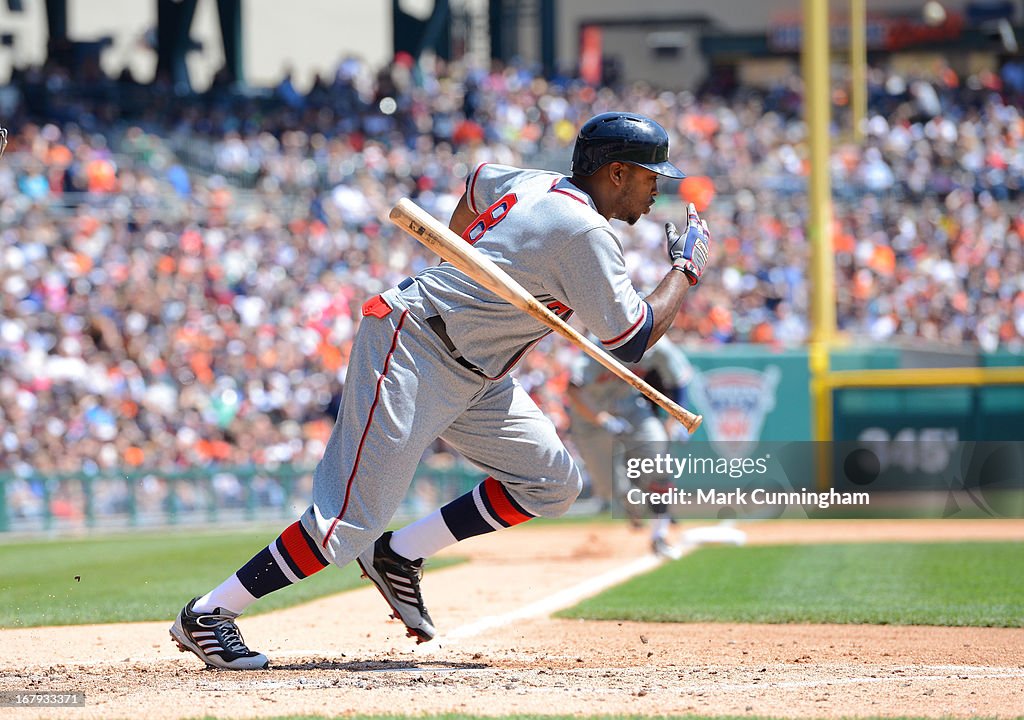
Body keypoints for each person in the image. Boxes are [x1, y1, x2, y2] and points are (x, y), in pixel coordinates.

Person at [169, 112, 712, 670]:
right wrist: (684, 269)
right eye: (652, 176)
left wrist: (463, 263)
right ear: (616, 173)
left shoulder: (538, 183)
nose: (657, 190)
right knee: (350, 518)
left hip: (478, 372)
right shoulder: (585, 231)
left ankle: (400, 555)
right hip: (414, 345)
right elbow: (632, 340)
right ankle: (208, 614)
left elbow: (479, 181)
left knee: (552, 483)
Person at [566, 337, 694, 559]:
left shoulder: (657, 345)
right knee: (610, 489)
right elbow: (574, 390)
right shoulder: (600, 345)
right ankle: (630, 503)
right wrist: (602, 419)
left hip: (632, 407)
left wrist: (675, 421)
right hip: (590, 417)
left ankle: (659, 536)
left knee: (660, 461)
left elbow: (680, 379)